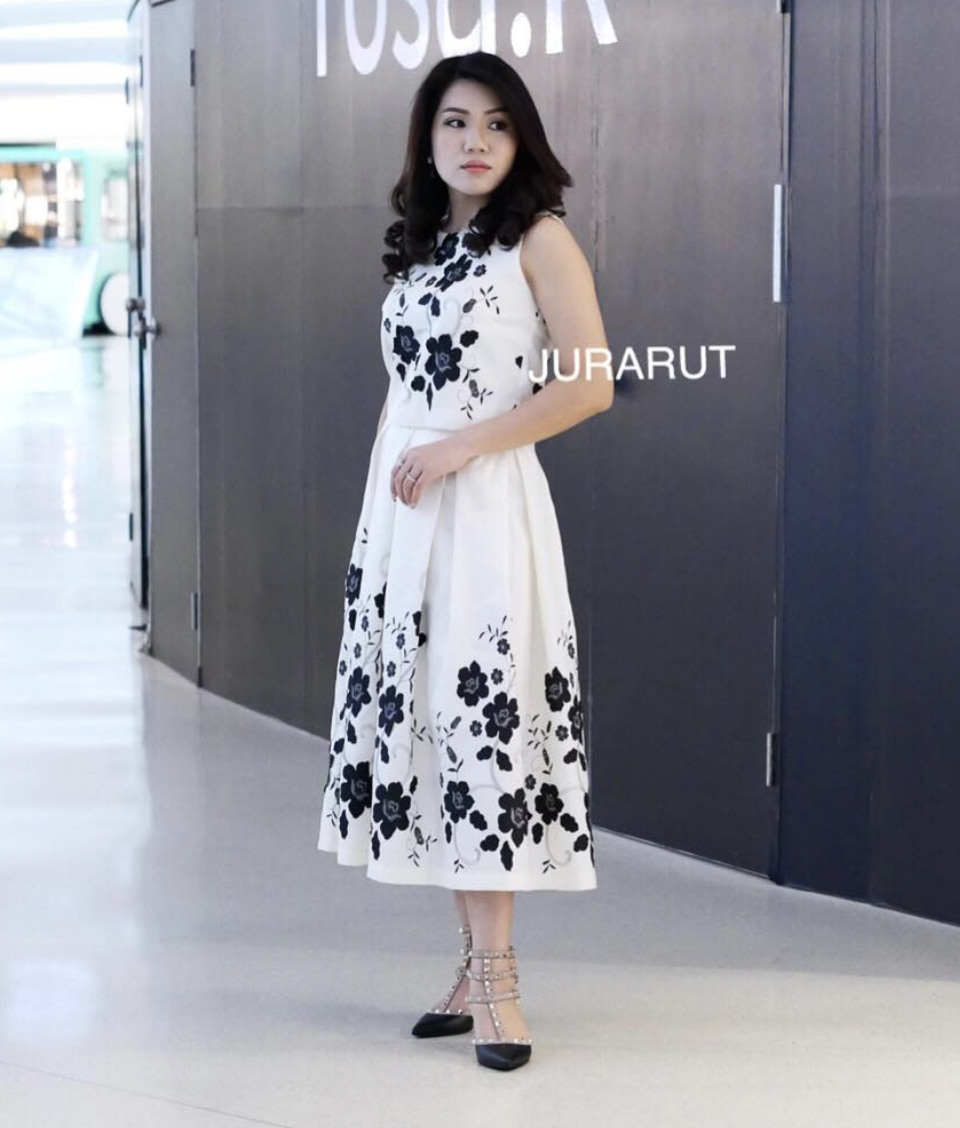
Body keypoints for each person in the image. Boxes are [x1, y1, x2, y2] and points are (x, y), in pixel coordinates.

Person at [316, 50, 612, 1072]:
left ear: (521, 138)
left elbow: (588, 385)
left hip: (484, 509)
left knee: (483, 725)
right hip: (404, 516)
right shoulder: (425, 249)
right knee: (434, 731)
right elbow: (408, 395)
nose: (474, 141)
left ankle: (498, 984)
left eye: (495, 123)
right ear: (427, 138)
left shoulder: (541, 239)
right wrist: (399, 488)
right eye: (454, 122)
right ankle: (470, 966)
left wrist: (460, 448)